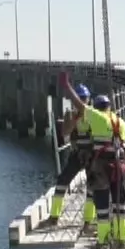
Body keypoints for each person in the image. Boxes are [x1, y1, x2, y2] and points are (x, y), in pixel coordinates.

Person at [63, 78, 125, 246]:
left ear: (97, 107)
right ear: (109, 107)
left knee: (102, 206)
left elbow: (80, 106)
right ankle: (122, 238)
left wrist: (67, 86)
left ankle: (103, 240)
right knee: (120, 204)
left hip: (101, 167)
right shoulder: (121, 123)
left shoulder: (98, 117)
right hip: (118, 166)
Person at [45, 84, 94, 225]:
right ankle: (54, 216)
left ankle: (89, 220)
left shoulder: (94, 114)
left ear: (88, 99)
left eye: (84, 98)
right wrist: (75, 119)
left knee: (92, 186)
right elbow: (65, 133)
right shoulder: (70, 115)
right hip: (76, 154)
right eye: (79, 98)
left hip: (91, 154)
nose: (81, 101)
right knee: (62, 181)